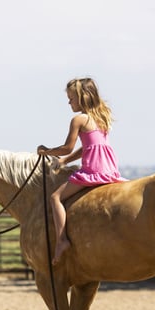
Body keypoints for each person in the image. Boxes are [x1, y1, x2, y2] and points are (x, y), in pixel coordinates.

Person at [37, 77, 127, 264]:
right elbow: (89, 147)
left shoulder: (78, 119)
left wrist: (46, 151)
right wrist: (65, 161)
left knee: (55, 198)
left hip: (93, 169)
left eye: (71, 98)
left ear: (82, 97)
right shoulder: (102, 116)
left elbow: (67, 147)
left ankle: (62, 241)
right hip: (109, 168)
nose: (69, 102)